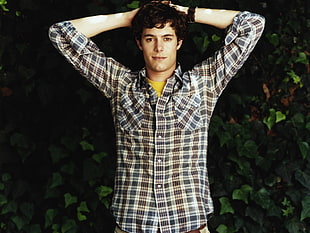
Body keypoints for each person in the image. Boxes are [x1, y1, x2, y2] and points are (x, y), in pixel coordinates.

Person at [49, 1, 265, 233]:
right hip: (134, 223)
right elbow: (61, 33)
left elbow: (253, 24)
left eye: (167, 38)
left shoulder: (203, 84)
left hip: (188, 224)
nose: (159, 47)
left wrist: (187, 13)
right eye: (150, 38)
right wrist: (128, 18)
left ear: (179, 42)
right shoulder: (120, 84)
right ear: (139, 43)